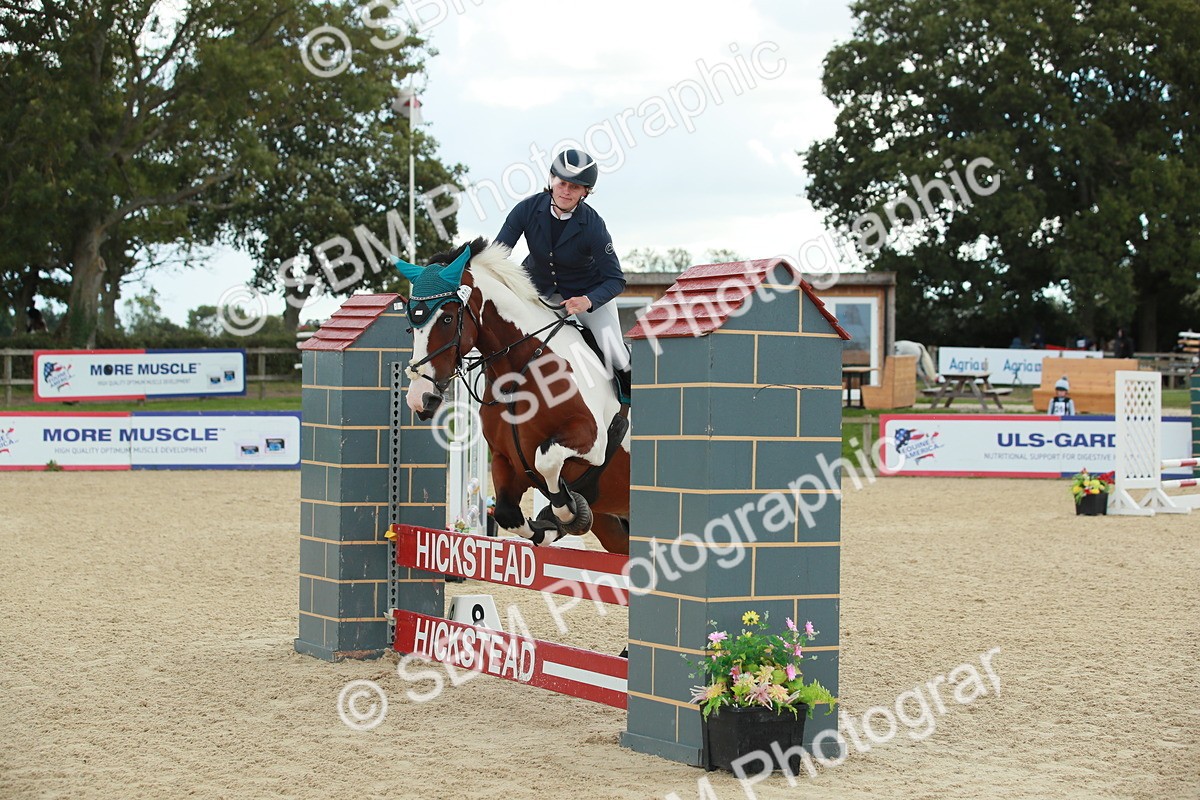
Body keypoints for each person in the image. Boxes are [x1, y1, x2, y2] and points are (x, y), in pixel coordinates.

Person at [495, 148, 631, 405]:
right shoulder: (526, 209)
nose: (566, 191)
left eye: (575, 187)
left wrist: (588, 301)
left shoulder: (593, 225)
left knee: (616, 353)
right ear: (551, 180)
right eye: (562, 182)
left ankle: (629, 406)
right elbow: (497, 254)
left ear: (585, 192)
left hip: (587, 293)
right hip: (538, 290)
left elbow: (616, 280)